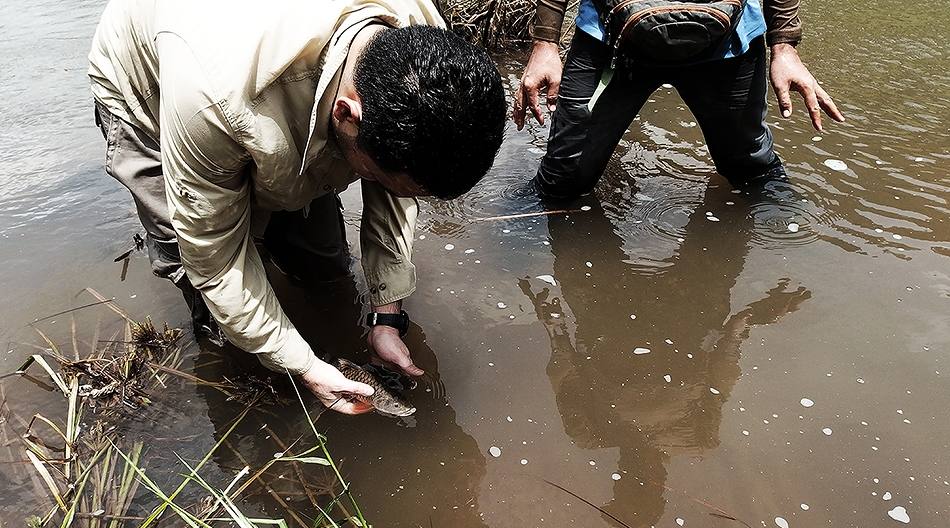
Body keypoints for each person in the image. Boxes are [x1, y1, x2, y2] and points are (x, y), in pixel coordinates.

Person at [88, 0, 506, 413]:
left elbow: (397, 185)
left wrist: (387, 316)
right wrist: (302, 365)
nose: (381, 186)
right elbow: (214, 262)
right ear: (346, 114)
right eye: (374, 178)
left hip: (269, 92)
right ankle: (240, 375)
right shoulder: (212, 96)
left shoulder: (423, 36)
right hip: (151, 91)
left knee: (321, 261)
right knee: (199, 269)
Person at [513, 0, 845, 198]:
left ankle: (787, 248)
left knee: (753, 171)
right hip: (611, 36)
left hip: (728, 42)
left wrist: (784, 46)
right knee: (563, 180)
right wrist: (545, 43)